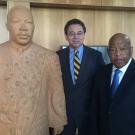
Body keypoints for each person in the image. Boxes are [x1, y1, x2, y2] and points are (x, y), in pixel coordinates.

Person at [0, 6, 67, 135]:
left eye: (29, 22)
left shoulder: (49, 57)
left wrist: (58, 119)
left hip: (37, 127)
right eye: (16, 22)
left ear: (34, 26)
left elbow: (56, 92)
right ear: (7, 26)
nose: (23, 28)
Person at [57, 18, 104, 135]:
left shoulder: (96, 56)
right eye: (71, 33)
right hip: (64, 113)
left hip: (89, 112)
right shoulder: (57, 57)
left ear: (84, 35)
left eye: (79, 33)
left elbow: (101, 85)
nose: (75, 37)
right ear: (66, 36)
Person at [92, 33, 135, 135]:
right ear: (108, 52)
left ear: (131, 50)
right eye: (113, 50)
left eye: (122, 49)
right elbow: (94, 108)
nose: (118, 54)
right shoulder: (100, 73)